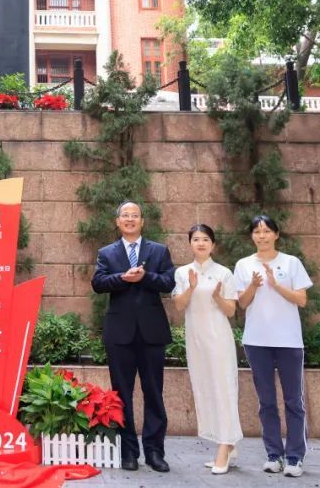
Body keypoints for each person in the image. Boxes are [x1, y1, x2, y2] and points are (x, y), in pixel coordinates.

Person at [91, 201, 175, 473]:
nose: (130, 219)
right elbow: (98, 283)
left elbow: (169, 282)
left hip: (152, 332)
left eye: (134, 215)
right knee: (122, 395)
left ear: (142, 221)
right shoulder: (106, 252)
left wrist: (145, 277)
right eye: (125, 216)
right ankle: (128, 452)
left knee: (154, 393)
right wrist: (122, 278)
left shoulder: (158, 250)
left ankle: (154, 451)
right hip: (119, 333)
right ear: (118, 222)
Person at [234, 215, 313, 478]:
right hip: (257, 341)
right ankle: (273, 455)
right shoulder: (244, 265)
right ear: (252, 236)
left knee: (294, 401)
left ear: (276, 234)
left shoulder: (291, 263)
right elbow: (242, 303)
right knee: (266, 401)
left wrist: (276, 285)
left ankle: (295, 457)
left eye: (267, 231)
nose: (262, 236)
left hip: (289, 341)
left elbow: (301, 299)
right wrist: (253, 285)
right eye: (257, 232)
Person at [171, 224, 242, 475]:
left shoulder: (224, 273)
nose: (200, 243)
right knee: (206, 389)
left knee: (224, 389)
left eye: (205, 240)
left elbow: (231, 311)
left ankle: (225, 446)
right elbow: (179, 306)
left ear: (213, 244)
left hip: (219, 338)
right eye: (196, 239)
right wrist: (191, 287)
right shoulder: (182, 272)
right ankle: (228, 443)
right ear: (190, 243)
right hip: (196, 339)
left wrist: (217, 297)